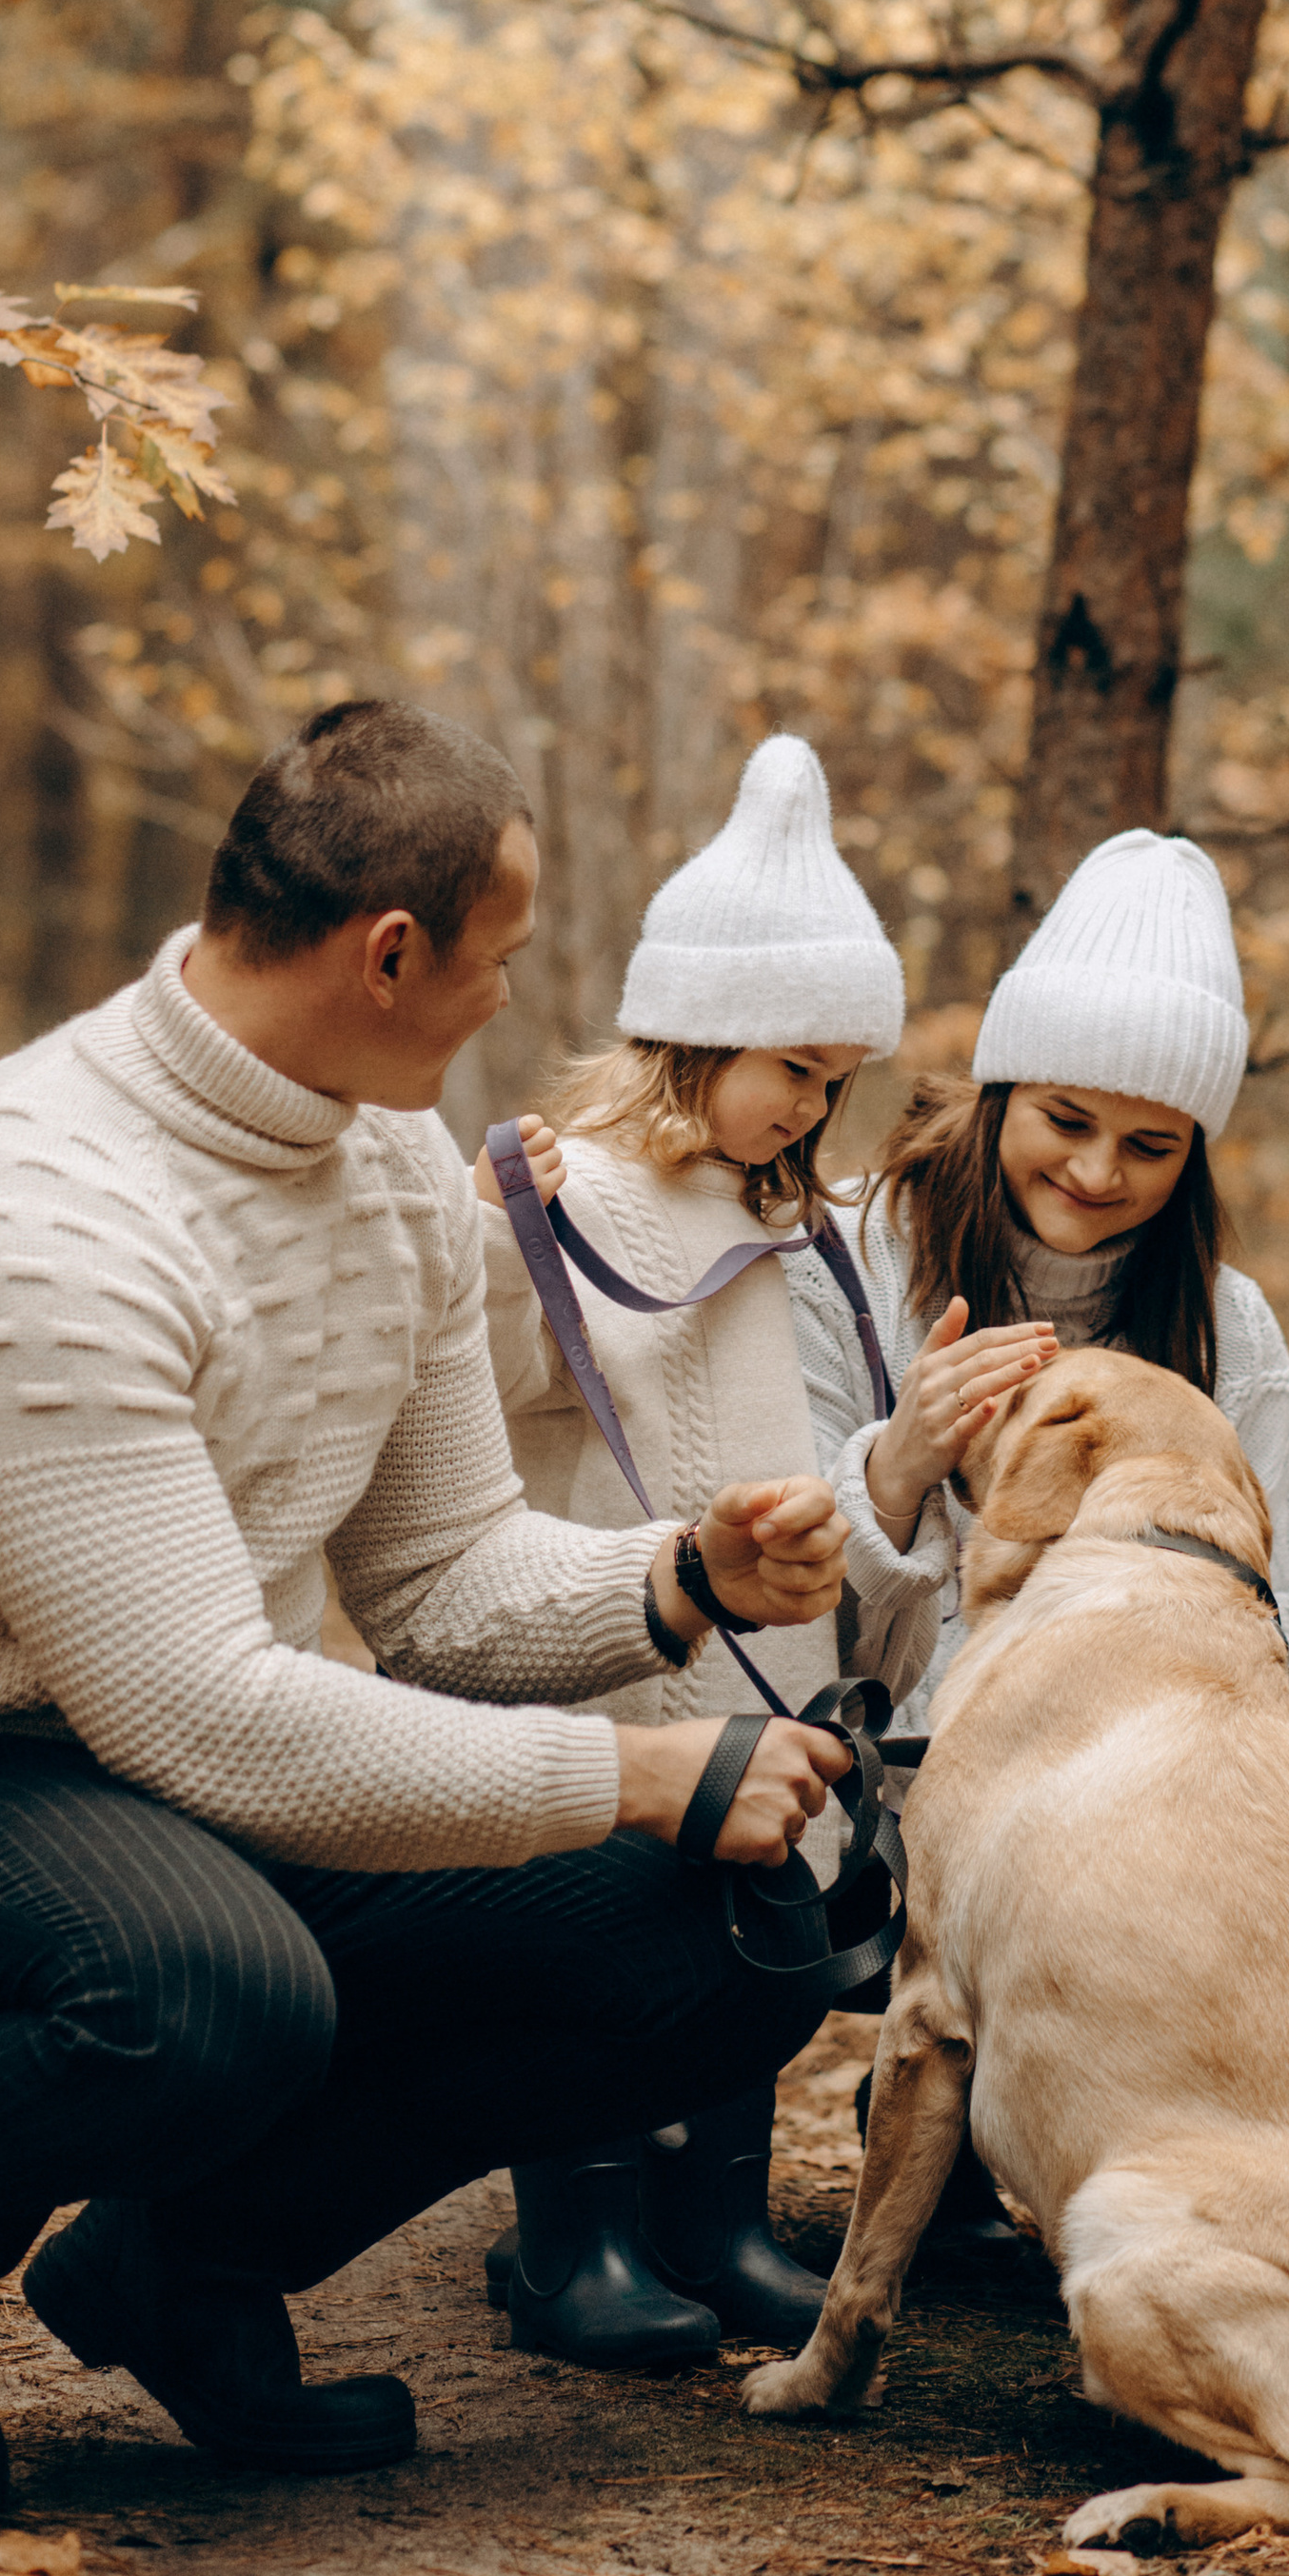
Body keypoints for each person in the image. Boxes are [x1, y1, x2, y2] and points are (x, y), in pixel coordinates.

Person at [0, 702, 855, 2523]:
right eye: (498, 957)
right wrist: (631, 1773)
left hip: (182, 1787)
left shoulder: (390, 1151)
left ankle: (186, 2265)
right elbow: (199, 1712)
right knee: (203, 1990)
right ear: (388, 954)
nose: (514, 997)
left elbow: (440, 1582)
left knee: (728, 1936)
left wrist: (680, 1580)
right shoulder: (33, 1209)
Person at [787, 826, 1289, 2238]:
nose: (1102, 1172)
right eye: (1066, 1119)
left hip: (1107, 1797)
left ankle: (1047, 2127)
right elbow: (770, 1579)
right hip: (868, 1750)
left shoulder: (1227, 1327)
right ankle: (683, 2162)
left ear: (1195, 1150)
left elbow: (1262, 1607)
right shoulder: (849, 1255)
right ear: (999, 1093)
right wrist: (904, 1459)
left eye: (1151, 1144)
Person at [471, 734, 913, 2368]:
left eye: (830, 1080)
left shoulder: (768, 1208)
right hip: (601, 1618)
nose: (812, 1103)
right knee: (592, 1927)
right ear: (699, 1037)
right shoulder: (562, 1190)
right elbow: (495, 1398)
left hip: (759, 1632)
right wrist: (499, 1247)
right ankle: (567, 2233)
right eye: (793, 1066)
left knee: (754, 1900)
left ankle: (714, 2216)